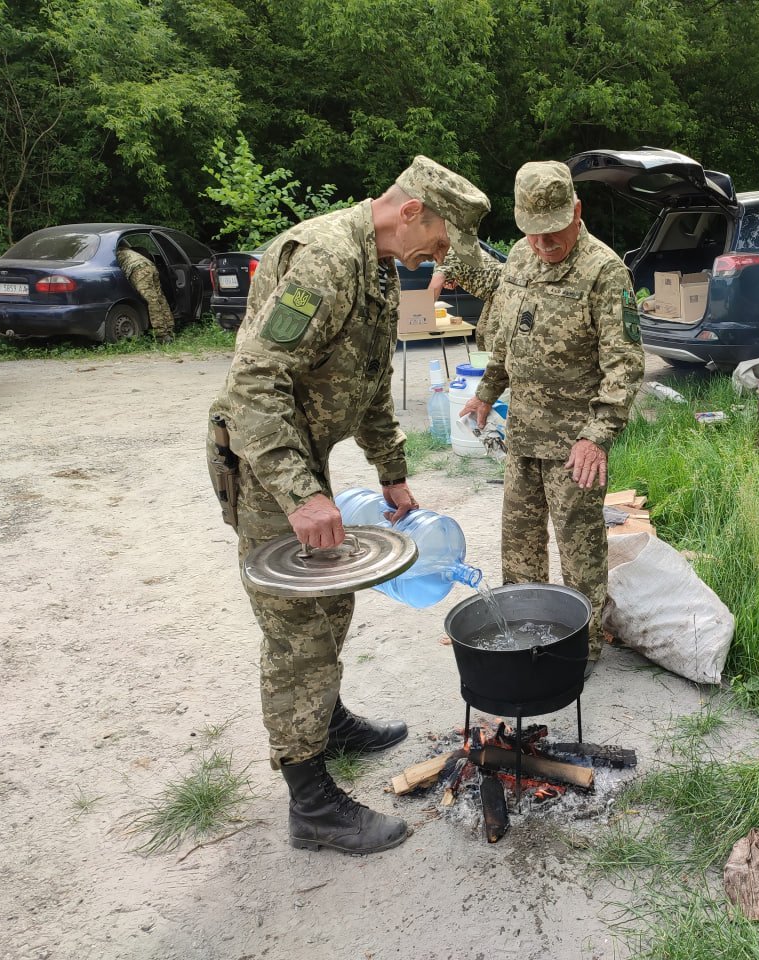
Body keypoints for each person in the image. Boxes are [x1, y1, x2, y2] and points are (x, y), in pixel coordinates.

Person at [207, 155, 490, 855]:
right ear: (413, 213)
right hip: (266, 457)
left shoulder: (381, 267)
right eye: (443, 242)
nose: (442, 259)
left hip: (304, 454)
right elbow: (254, 384)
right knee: (296, 627)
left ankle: (326, 721)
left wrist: (392, 473)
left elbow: (366, 384)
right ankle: (312, 805)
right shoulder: (328, 260)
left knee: (332, 600)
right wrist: (301, 494)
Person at [461, 161, 644, 677]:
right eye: (533, 234)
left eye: (553, 233)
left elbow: (624, 365)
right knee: (518, 545)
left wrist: (597, 437)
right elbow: (507, 338)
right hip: (522, 433)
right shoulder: (520, 257)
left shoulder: (604, 272)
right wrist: (485, 392)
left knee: (579, 548)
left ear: (577, 212)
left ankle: (580, 653)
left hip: (573, 443)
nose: (543, 245)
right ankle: (523, 638)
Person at [429, 246, 502, 349]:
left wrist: (423, 314)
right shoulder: (453, 248)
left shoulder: (447, 255)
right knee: (481, 332)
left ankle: (497, 364)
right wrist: (456, 279)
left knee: (491, 335)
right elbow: (463, 269)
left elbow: (434, 287)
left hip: (503, 289)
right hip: (493, 294)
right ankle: (484, 363)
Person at [116, 243, 174, 341]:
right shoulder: (128, 251)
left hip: (139, 270)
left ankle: (161, 334)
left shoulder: (114, 254)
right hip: (150, 266)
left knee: (152, 300)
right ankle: (169, 328)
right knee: (160, 298)